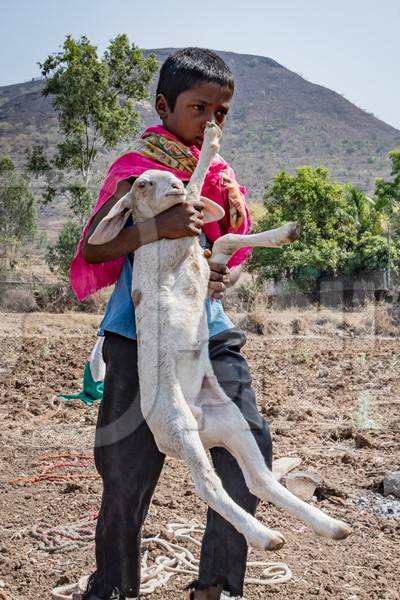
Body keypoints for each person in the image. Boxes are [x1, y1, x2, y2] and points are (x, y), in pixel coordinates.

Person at [70, 47, 273, 600]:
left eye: (221, 112)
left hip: (207, 333)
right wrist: (153, 228)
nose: (211, 122)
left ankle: (216, 586)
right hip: (139, 338)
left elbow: (219, 252)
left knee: (246, 446)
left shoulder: (219, 181)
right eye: (198, 107)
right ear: (164, 106)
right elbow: (94, 247)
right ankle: (113, 588)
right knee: (126, 476)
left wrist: (219, 270)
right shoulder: (138, 172)